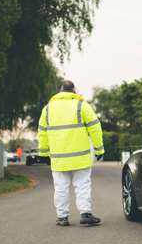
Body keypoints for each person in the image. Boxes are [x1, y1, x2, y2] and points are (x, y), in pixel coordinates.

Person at [37, 80, 104, 226]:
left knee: (60, 187)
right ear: (74, 90)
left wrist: (43, 154)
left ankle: (62, 217)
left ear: (59, 91)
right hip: (81, 157)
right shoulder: (82, 105)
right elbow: (95, 127)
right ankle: (85, 213)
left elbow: (42, 133)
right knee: (82, 185)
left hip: (59, 158)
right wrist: (99, 149)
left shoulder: (47, 109)